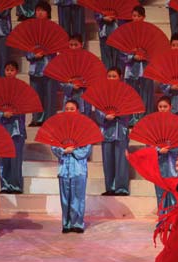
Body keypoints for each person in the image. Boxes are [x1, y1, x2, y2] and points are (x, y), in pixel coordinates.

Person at [51, 100, 92, 233]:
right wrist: (63, 150)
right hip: (64, 168)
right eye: (67, 109)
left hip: (79, 168)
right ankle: (66, 224)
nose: (69, 111)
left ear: (77, 111)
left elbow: (87, 150)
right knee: (65, 198)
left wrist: (73, 150)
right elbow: (53, 145)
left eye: (72, 109)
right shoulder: (59, 128)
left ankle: (78, 224)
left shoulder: (84, 128)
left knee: (78, 198)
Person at [96, 67, 130, 196]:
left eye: (114, 76)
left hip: (121, 129)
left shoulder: (125, 93)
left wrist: (118, 114)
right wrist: (105, 116)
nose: (111, 78)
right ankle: (110, 187)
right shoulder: (102, 93)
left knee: (121, 160)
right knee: (108, 160)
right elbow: (98, 110)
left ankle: (121, 188)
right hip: (106, 130)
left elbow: (129, 110)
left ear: (120, 77)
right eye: (109, 76)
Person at [0, 61, 26, 194]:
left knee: (16, 159)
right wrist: (3, 113)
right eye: (7, 69)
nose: (9, 72)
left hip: (17, 128)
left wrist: (14, 112)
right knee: (4, 158)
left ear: (16, 72)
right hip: (3, 127)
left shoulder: (22, 88)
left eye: (12, 70)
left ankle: (16, 185)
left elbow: (26, 105)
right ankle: (5, 185)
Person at [153, 96, 178, 213]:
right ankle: (162, 216)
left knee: (174, 189)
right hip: (159, 162)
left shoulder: (177, 123)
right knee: (160, 191)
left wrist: (174, 149)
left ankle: (175, 215)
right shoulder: (153, 124)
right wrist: (158, 150)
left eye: (165, 106)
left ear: (170, 107)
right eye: (160, 107)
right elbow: (149, 144)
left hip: (173, 161)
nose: (162, 109)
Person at [122, 5, 155, 125]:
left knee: (146, 93)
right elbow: (122, 52)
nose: (136, 18)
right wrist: (132, 57)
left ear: (144, 17)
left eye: (138, 16)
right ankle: (131, 119)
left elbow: (155, 50)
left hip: (146, 66)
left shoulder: (150, 32)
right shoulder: (126, 33)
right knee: (132, 93)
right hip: (131, 67)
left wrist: (145, 56)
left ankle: (145, 119)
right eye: (134, 16)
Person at [27, 1, 58, 126]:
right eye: (37, 10)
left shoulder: (53, 29)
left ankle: (50, 119)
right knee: (36, 95)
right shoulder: (30, 30)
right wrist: (34, 55)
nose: (39, 13)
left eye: (42, 10)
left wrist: (47, 51)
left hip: (49, 65)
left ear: (48, 13)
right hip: (35, 66)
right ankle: (37, 118)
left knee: (50, 95)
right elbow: (26, 49)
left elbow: (57, 46)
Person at [59, 33, 92, 117]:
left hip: (84, 96)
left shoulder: (88, 60)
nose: (73, 47)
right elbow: (60, 80)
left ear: (81, 44)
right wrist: (70, 85)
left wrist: (82, 82)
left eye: (75, 45)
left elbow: (92, 78)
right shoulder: (64, 61)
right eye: (71, 45)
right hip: (70, 95)